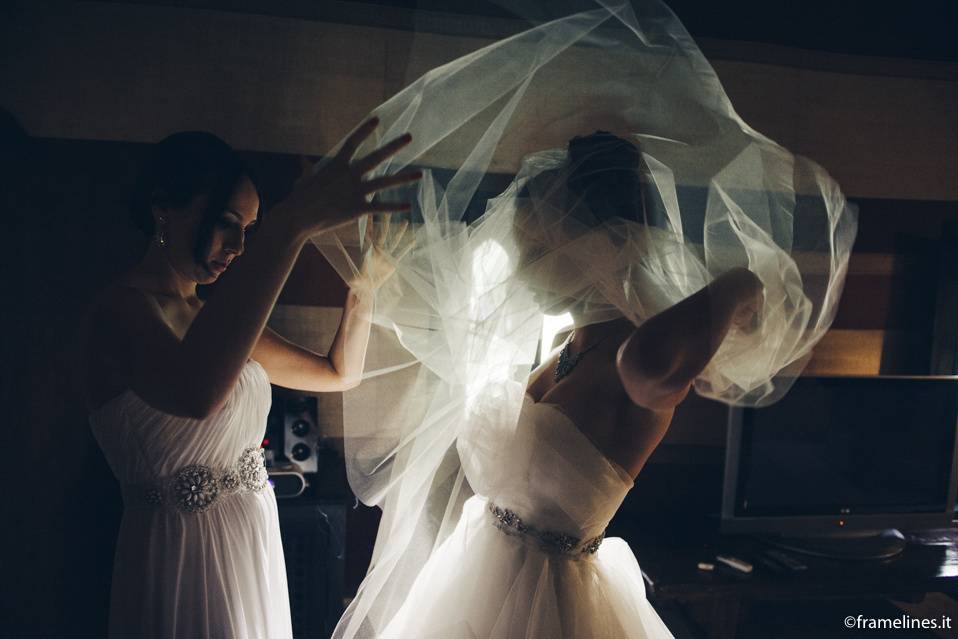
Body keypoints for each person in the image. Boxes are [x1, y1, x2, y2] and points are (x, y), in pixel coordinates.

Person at [80, 118, 419, 639]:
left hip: (250, 542)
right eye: (226, 222)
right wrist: (288, 230)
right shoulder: (120, 311)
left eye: (252, 230)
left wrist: (363, 291)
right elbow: (196, 394)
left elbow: (338, 374)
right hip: (177, 556)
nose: (238, 246)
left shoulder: (216, 318)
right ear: (163, 207)